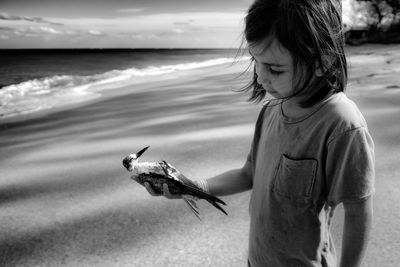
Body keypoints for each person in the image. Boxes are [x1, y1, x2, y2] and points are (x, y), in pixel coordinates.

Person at [140, 0, 375, 266]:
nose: (261, 77)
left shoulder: (341, 124)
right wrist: (191, 186)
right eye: (256, 62)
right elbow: (248, 174)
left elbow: (358, 211)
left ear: (322, 60)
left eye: (275, 69)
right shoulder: (271, 111)